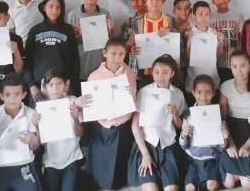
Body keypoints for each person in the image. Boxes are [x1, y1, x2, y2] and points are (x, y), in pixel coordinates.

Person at [75, 38, 137, 190]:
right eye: (113, 54)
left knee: (120, 164)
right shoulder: (94, 76)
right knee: (101, 162)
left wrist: (133, 94)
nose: (117, 58)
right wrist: (82, 103)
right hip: (102, 125)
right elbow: (88, 104)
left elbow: (134, 98)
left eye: (121, 54)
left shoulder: (129, 73)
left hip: (123, 125)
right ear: (105, 53)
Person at [127, 54, 186, 191]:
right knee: (151, 189)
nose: (161, 76)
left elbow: (179, 126)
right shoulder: (144, 92)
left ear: (172, 73)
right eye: (157, 72)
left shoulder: (178, 94)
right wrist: (145, 155)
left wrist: (176, 114)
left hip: (168, 145)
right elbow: (135, 126)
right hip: (147, 145)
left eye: (165, 72)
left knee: (171, 188)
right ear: (152, 73)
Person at [218, 51, 250, 189]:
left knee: (247, 184)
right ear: (230, 67)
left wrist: (249, 144)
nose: (239, 71)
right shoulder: (225, 86)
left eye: (243, 66)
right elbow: (223, 117)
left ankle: (243, 172)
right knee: (229, 183)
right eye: (234, 66)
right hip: (231, 131)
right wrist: (230, 143)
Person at [0, 72, 41, 191]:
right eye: (8, 94)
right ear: (1, 96)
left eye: (17, 94)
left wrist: (33, 140)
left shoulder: (31, 114)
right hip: (0, 166)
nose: (12, 99)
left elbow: (35, 146)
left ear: (24, 94)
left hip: (24, 164)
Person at [31, 68, 84, 191]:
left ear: (66, 85)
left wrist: (75, 118)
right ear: (45, 86)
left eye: (59, 84)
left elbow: (81, 133)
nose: (55, 88)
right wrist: (37, 126)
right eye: (51, 85)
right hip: (51, 161)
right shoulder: (41, 108)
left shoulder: (72, 102)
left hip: (72, 158)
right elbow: (41, 142)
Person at [24, 0, 80, 103]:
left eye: (58, 7)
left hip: (62, 87)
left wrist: (71, 85)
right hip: (39, 87)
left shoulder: (68, 30)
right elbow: (28, 60)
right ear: (44, 7)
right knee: (39, 119)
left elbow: (75, 59)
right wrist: (31, 85)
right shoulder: (35, 30)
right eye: (51, 6)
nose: (54, 10)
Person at [179, 74, 227, 191]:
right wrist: (183, 134)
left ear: (213, 93)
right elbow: (183, 145)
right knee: (190, 188)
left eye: (207, 92)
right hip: (194, 160)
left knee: (212, 186)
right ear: (193, 92)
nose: (203, 96)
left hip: (212, 160)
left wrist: (224, 136)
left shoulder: (217, 113)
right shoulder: (188, 114)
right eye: (199, 92)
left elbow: (222, 146)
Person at [126, 0, 177, 87]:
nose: (155, 1)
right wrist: (131, 50)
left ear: (163, 1)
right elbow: (125, 47)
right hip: (144, 73)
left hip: (165, 74)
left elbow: (177, 44)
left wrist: (170, 30)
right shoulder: (135, 22)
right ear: (146, 1)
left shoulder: (170, 20)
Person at [66, 0, 115, 83]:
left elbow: (109, 41)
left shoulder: (105, 14)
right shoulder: (73, 15)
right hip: (80, 64)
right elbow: (68, 43)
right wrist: (74, 33)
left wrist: (111, 29)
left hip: (99, 63)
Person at [184, 1, 223, 104]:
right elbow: (186, 59)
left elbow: (218, 57)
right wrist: (188, 40)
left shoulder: (213, 33)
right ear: (193, 16)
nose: (204, 17)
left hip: (212, 77)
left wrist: (221, 42)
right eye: (200, 14)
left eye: (207, 14)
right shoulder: (189, 32)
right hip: (193, 79)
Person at [210, 0, 244, 84]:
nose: (221, 0)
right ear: (213, 1)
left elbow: (242, 38)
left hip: (235, 63)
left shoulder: (238, 15)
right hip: (217, 63)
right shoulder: (210, 17)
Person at [172, 0, 193, 83]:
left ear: (191, 11)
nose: (183, 11)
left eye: (187, 8)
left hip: (190, 68)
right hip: (172, 67)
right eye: (179, 8)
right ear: (174, 11)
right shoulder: (168, 26)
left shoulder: (196, 27)